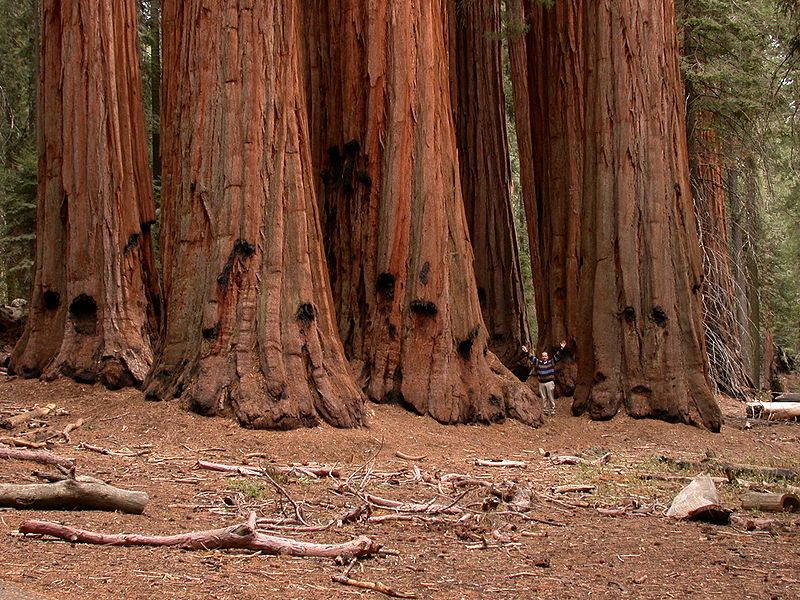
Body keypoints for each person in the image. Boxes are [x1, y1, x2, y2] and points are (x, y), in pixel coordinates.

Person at [521, 340, 567, 416]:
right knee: (544, 397)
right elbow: (531, 358)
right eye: (543, 356)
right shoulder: (538, 363)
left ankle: (552, 410)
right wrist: (526, 352)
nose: (544, 357)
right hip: (541, 383)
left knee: (550, 396)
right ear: (542, 357)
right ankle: (545, 410)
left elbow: (557, 356)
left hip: (549, 383)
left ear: (547, 357)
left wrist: (561, 348)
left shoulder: (551, 362)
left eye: (546, 356)